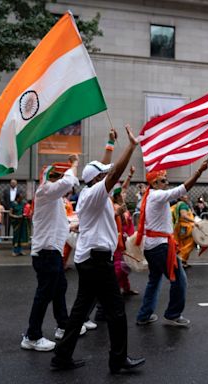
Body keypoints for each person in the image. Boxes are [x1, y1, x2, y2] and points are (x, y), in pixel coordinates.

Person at [51, 125, 145, 373]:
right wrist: (131, 146)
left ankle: (61, 357)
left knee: (80, 311)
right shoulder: (94, 193)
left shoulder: (93, 193)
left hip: (89, 259)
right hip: (97, 260)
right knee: (116, 311)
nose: (108, 176)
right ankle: (118, 360)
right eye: (103, 175)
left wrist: (110, 144)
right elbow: (112, 173)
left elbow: (105, 169)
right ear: (96, 179)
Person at [20, 157, 87, 352]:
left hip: (52, 252)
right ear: (49, 178)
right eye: (56, 175)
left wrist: (73, 225)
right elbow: (68, 182)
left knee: (59, 288)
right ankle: (32, 336)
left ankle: (62, 325)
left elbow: (60, 223)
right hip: (46, 252)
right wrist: (74, 164)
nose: (60, 180)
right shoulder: (45, 191)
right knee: (44, 293)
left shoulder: (53, 198)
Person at [135, 159, 208, 328]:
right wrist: (199, 172)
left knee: (154, 280)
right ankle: (172, 314)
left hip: (152, 246)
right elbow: (182, 189)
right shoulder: (157, 195)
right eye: (163, 180)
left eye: (166, 180)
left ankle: (144, 315)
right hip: (160, 246)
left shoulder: (150, 196)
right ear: (154, 182)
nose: (166, 183)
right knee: (179, 280)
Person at [112, 166, 138, 295]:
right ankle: (113, 290)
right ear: (117, 196)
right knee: (119, 266)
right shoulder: (115, 207)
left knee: (125, 266)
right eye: (122, 193)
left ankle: (126, 288)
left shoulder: (121, 205)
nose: (125, 193)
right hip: (118, 241)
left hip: (126, 240)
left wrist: (130, 175)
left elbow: (125, 187)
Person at [172, 195, 197, 268]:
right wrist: (194, 221)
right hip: (185, 227)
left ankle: (183, 262)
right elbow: (184, 216)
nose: (187, 196)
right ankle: (180, 258)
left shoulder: (177, 205)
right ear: (180, 197)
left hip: (180, 227)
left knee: (182, 244)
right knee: (190, 243)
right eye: (184, 195)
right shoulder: (183, 205)